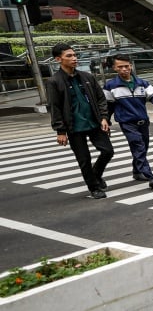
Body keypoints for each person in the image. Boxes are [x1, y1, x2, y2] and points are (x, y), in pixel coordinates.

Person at [47, 43, 114, 199]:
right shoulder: (54, 81)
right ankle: (94, 187)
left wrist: (104, 117)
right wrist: (60, 131)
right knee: (84, 159)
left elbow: (100, 98)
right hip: (74, 126)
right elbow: (54, 107)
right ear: (58, 59)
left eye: (75, 55)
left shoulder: (87, 76)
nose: (74, 58)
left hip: (94, 122)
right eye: (69, 56)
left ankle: (96, 174)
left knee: (108, 151)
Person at [103, 54, 153, 190]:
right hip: (127, 123)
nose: (124, 69)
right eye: (120, 67)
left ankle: (137, 171)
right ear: (114, 68)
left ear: (131, 65)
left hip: (143, 121)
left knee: (143, 147)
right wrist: (105, 121)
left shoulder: (142, 83)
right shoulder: (110, 86)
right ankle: (150, 175)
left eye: (126, 66)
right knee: (138, 146)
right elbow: (107, 107)